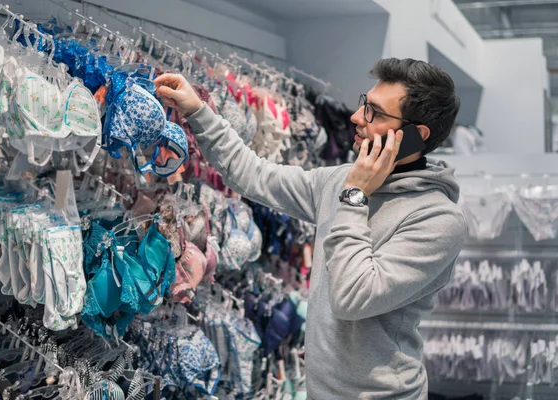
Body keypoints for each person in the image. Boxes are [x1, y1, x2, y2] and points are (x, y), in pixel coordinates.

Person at [154, 58, 467, 400]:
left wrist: (354, 196)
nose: (356, 118)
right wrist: (198, 111)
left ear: (414, 136)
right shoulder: (339, 180)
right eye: (365, 104)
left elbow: (353, 297)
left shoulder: (438, 220)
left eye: (374, 113)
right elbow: (255, 175)